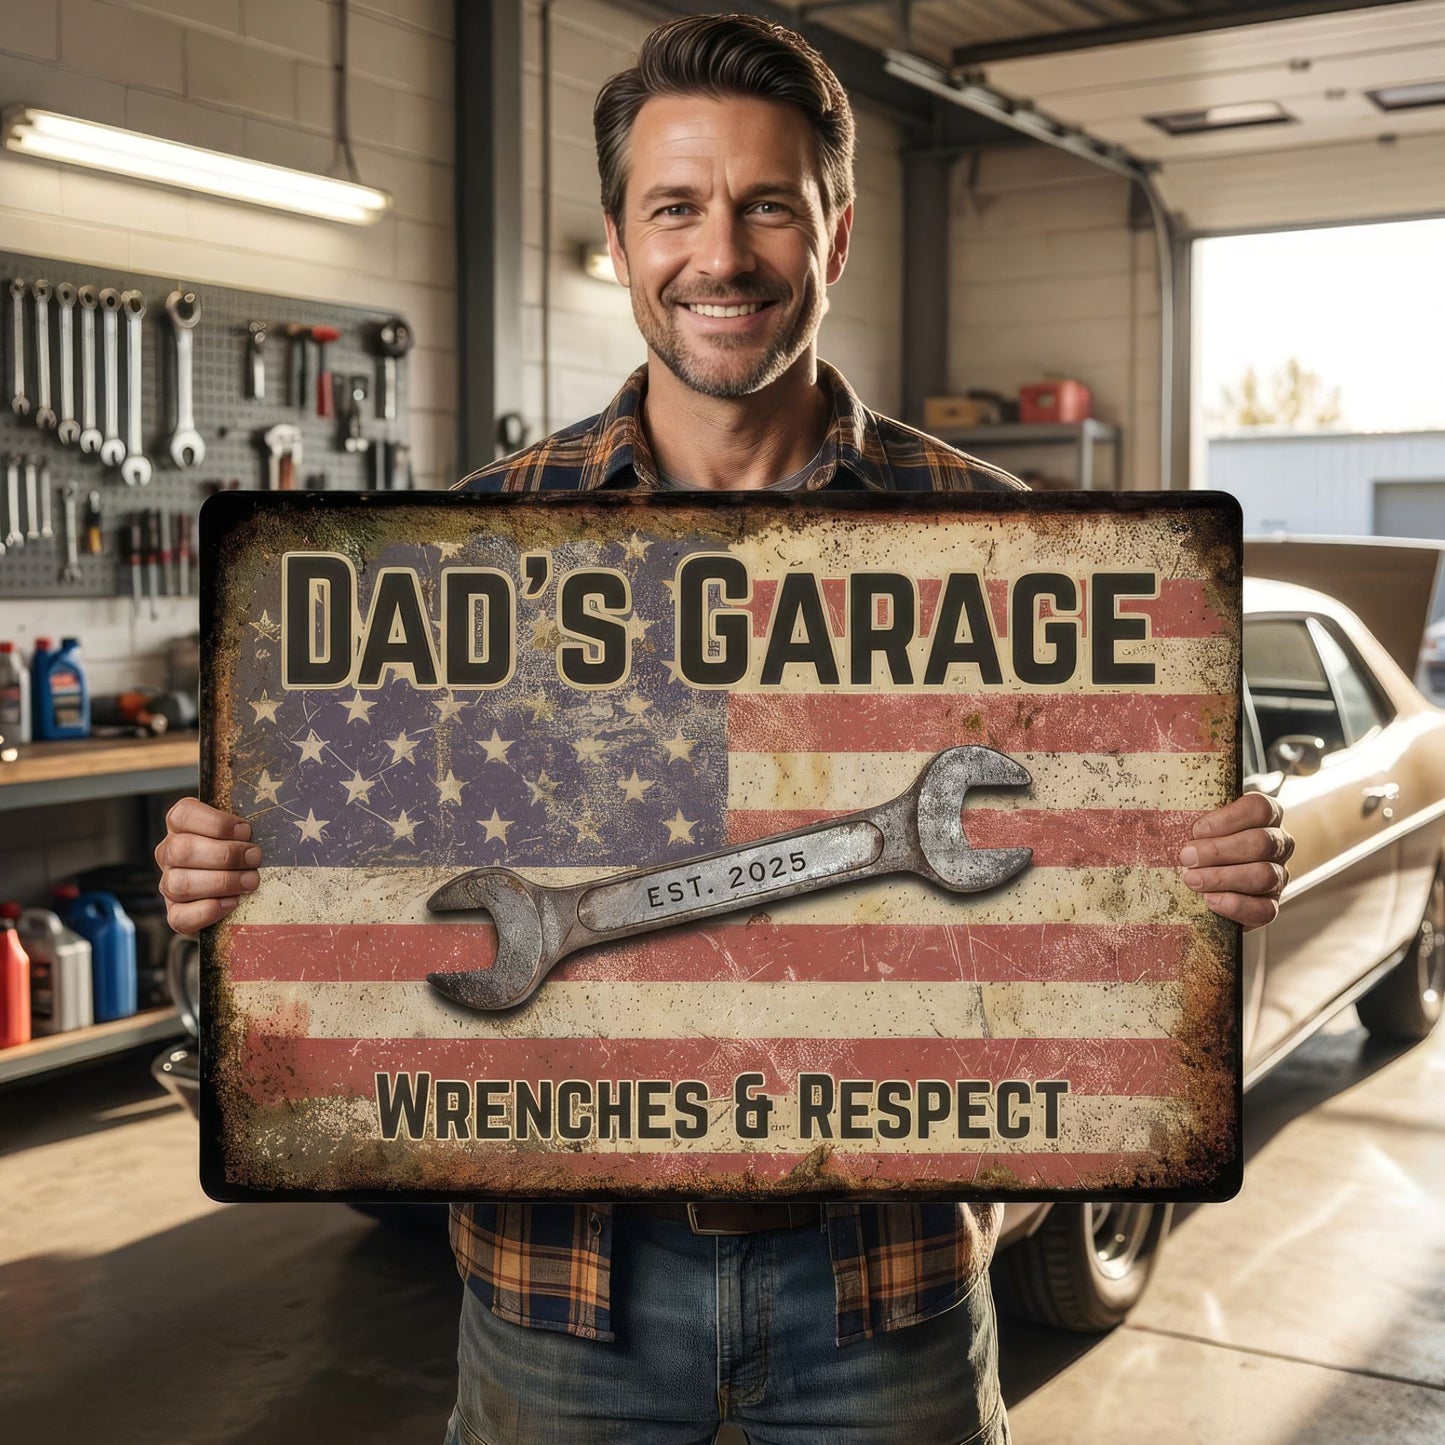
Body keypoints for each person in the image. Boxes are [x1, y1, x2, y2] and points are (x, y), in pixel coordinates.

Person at [156, 14, 1294, 1445]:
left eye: (768, 204)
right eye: (675, 207)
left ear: (834, 231)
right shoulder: (469, 544)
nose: (722, 253)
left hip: (883, 1290)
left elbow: (1107, 888)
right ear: (625, 239)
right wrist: (229, 885)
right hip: (557, 1297)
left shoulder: (1010, 547)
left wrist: (1209, 869)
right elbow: (354, 898)